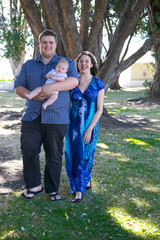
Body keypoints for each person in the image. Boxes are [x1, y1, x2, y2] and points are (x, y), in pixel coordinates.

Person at [14, 29, 79, 202]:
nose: (48, 45)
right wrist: (32, 94)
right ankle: (34, 185)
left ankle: (52, 189)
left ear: (55, 45)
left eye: (51, 42)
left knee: (54, 154)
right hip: (32, 116)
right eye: (44, 42)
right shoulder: (29, 65)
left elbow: (74, 81)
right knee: (29, 149)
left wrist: (51, 88)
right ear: (39, 44)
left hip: (57, 116)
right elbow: (18, 86)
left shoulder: (66, 63)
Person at [65, 51, 105, 202]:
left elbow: (100, 109)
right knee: (73, 154)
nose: (84, 64)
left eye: (87, 61)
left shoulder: (98, 83)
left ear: (92, 64)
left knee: (86, 155)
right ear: (78, 64)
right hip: (73, 125)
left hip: (90, 125)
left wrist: (89, 129)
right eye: (81, 61)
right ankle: (78, 187)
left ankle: (82, 184)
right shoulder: (72, 82)